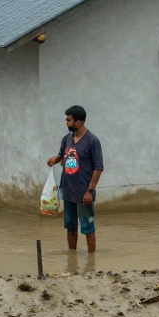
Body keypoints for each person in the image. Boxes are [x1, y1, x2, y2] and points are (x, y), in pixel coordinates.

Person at [46, 105, 103, 253]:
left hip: (84, 193)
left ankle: (92, 263)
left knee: (88, 227)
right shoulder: (66, 139)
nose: (66, 122)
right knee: (70, 226)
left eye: (69, 120)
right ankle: (72, 257)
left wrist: (90, 191)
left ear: (80, 122)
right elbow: (63, 156)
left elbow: (98, 168)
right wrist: (56, 159)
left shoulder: (92, 141)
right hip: (68, 191)